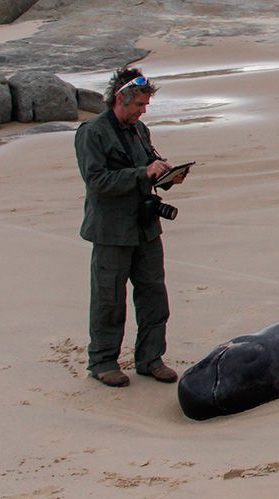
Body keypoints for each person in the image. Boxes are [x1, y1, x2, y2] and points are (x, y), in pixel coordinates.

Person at [74, 68, 186, 387]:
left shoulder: (140, 130)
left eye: (146, 105)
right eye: (139, 104)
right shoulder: (92, 132)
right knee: (109, 298)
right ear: (120, 99)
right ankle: (103, 361)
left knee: (154, 295)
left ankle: (150, 359)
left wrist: (166, 176)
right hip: (111, 231)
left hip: (145, 226)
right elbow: (96, 182)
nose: (143, 110)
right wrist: (142, 173)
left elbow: (150, 165)